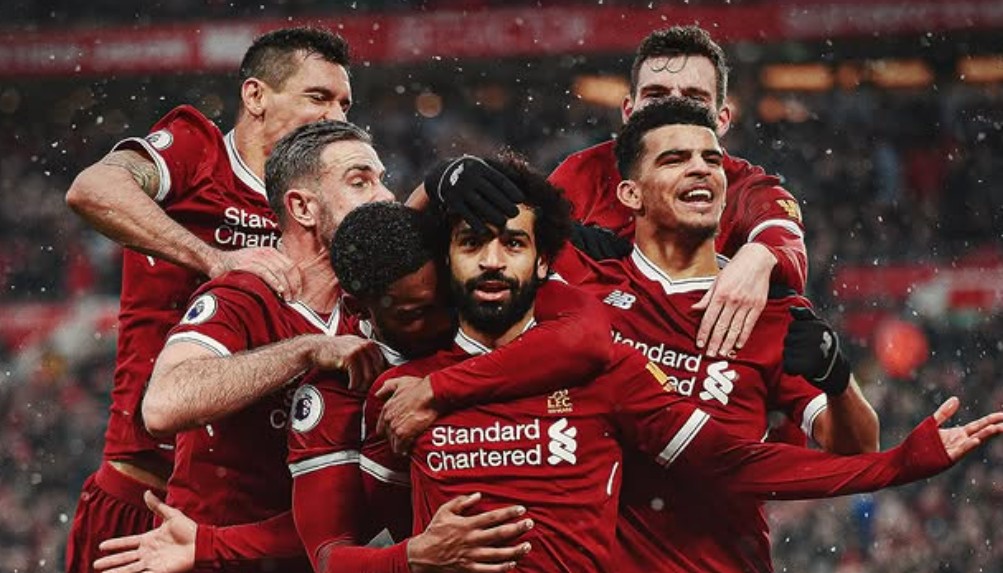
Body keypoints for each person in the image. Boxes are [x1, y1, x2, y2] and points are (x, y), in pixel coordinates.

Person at [358, 153, 1003, 572]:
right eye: (472, 242)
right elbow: (332, 550)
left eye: (513, 243)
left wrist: (902, 462)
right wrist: (409, 558)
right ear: (447, 261)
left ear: (546, 261)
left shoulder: (602, 365)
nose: (493, 260)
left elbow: (738, 463)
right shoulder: (395, 385)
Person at [63, 26, 353, 573]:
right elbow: (92, 190)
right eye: (318, 97)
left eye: (344, 104)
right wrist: (213, 258)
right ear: (256, 96)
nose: (335, 116)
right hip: (147, 496)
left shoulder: (329, 204)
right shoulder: (198, 152)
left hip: (259, 516)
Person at [552, 97, 875, 572]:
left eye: (711, 159)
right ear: (631, 195)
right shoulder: (582, 284)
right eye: (674, 159)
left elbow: (859, 451)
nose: (700, 168)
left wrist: (838, 379)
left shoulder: (771, 311)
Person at [548, 25, 807, 359]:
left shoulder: (746, 188)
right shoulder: (584, 173)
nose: (672, 108)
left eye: (693, 98)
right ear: (628, 111)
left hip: (704, 369)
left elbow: (785, 237)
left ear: (722, 119)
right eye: (656, 95)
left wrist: (760, 256)